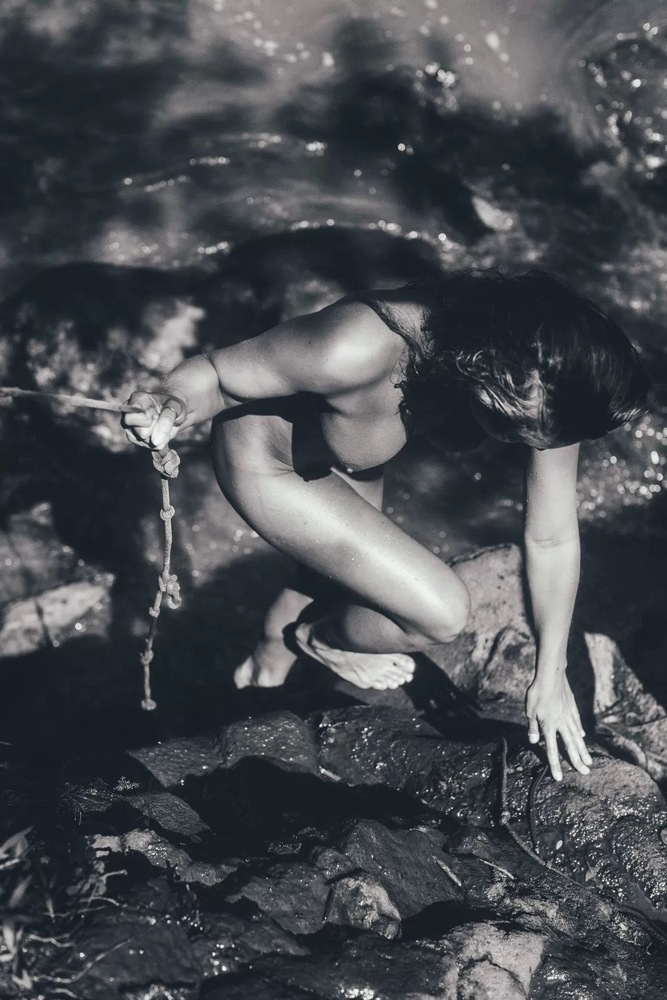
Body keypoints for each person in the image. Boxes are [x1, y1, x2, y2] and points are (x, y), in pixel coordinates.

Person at [122, 269, 649, 781]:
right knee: (442, 613)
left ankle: (262, 670)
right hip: (269, 463)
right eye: (519, 429)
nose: (536, 446)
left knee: (331, 580)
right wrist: (169, 404)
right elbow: (216, 375)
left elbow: (551, 535)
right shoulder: (353, 346)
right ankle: (319, 641)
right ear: (494, 366)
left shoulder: (550, 380)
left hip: (348, 456)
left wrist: (551, 673)